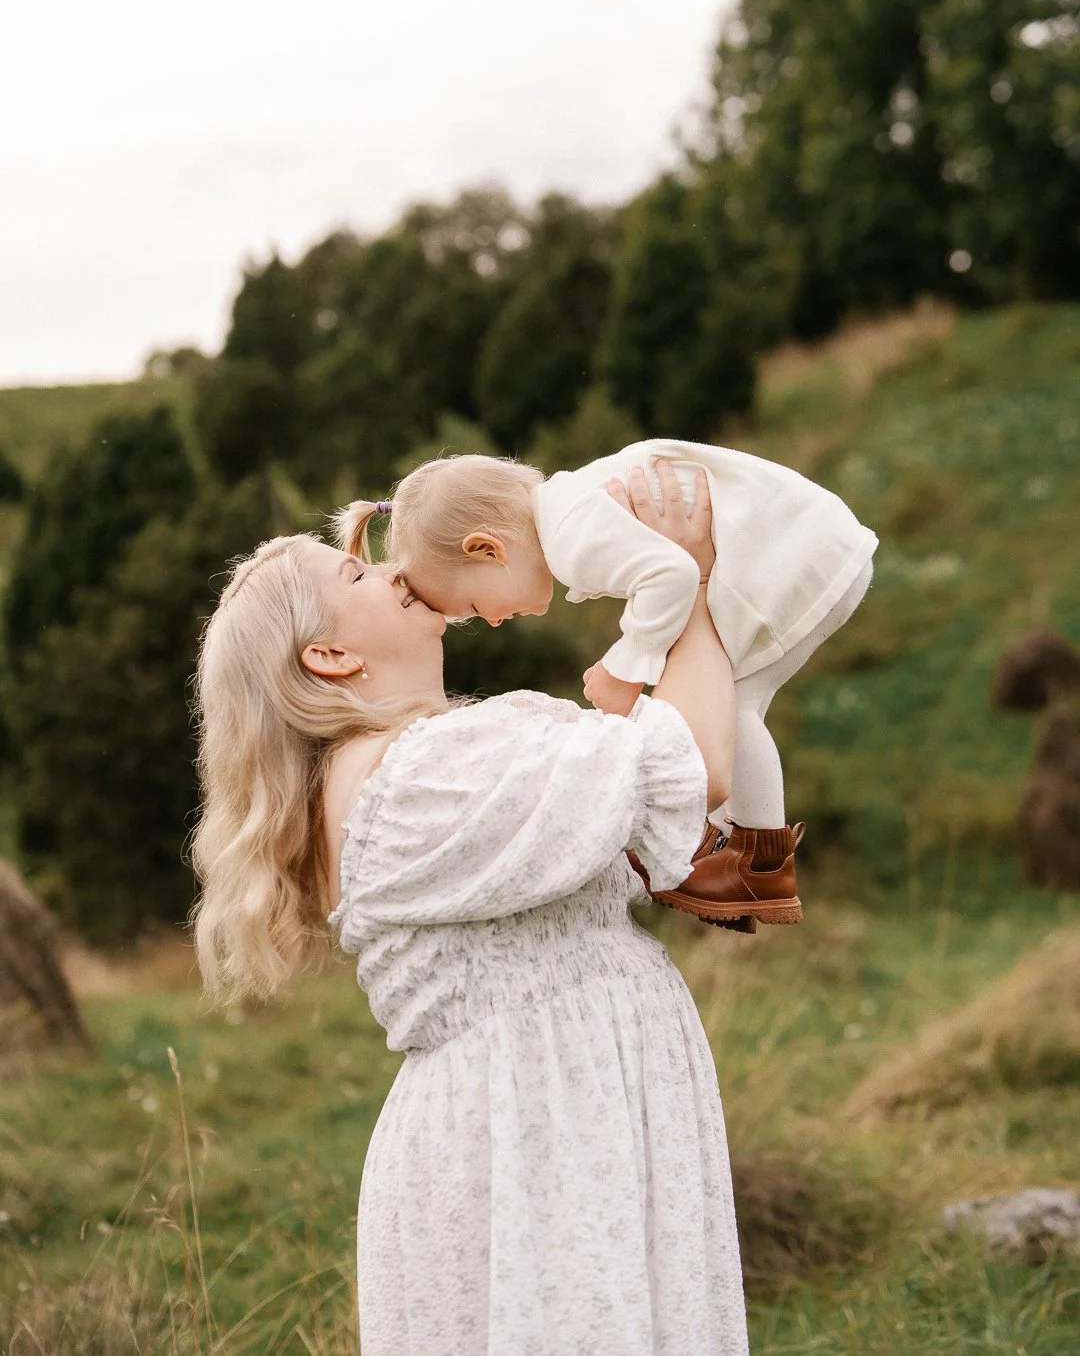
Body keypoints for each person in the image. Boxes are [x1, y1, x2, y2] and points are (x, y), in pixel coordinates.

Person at [191, 464, 750, 1356]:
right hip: (539, 1130)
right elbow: (693, 767)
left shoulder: (428, 759)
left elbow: (689, 849)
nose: (392, 573)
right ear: (330, 656)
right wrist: (689, 575)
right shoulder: (413, 773)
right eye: (359, 576)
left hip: (565, 1109)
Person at [334, 442, 877, 929]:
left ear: (487, 549)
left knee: (728, 703)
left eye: (476, 607)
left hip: (793, 555)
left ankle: (752, 863)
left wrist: (626, 667)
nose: (495, 622)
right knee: (730, 698)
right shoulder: (574, 504)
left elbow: (674, 575)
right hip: (814, 544)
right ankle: (737, 853)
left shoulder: (571, 537)